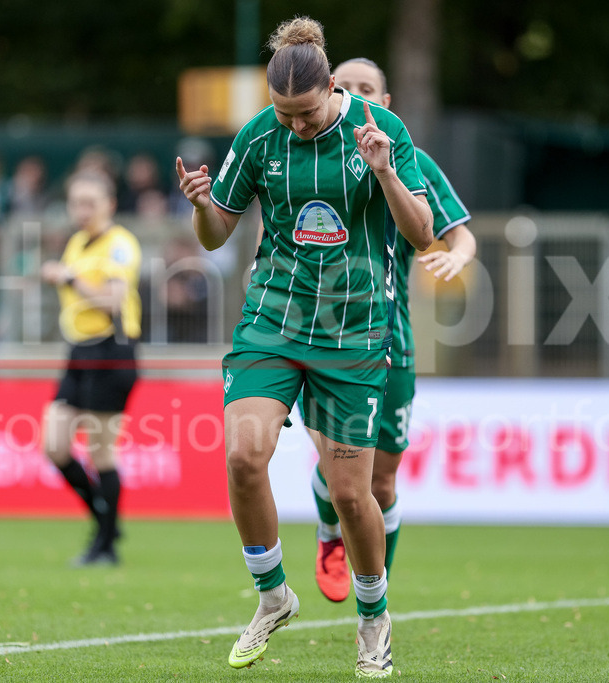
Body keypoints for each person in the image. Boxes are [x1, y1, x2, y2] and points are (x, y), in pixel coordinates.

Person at [175, 16, 432, 678]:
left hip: (352, 333)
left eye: (307, 113)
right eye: (284, 113)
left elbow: (423, 232)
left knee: (350, 495)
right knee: (242, 455)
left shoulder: (381, 130)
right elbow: (215, 233)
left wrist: (385, 173)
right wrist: (201, 205)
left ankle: (373, 618)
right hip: (273, 322)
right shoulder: (260, 136)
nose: (295, 125)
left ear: (330, 92)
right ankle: (273, 595)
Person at [306, 57, 476, 604]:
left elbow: (459, 234)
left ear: (386, 102)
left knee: (380, 481)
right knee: (337, 467)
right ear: (331, 93)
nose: (359, 97)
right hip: (321, 338)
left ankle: (375, 588)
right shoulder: (306, 151)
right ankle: (331, 535)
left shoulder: (410, 159)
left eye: (370, 89)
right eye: (349, 87)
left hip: (390, 341)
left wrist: (457, 257)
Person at [39, 170, 142, 566]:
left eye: (90, 203)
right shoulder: (78, 242)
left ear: (109, 205)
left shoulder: (120, 244)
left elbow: (112, 301)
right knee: (54, 445)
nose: (81, 211)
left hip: (111, 350)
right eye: (76, 203)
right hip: (79, 351)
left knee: (101, 453)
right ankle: (105, 521)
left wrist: (69, 277)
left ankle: (105, 545)